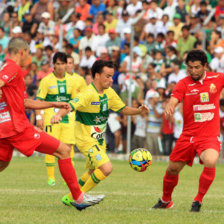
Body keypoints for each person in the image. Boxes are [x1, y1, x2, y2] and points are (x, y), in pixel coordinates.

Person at [0, 37, 104, 211]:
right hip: (16, 128)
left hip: (4, 129)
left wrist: (54, 104)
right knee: (63, 150)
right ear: (22, 52)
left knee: (2, 163)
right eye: (28, 54)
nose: (29, 58)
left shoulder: (7, 68)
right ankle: (78, 198)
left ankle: (78, 197)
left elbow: (25, 102)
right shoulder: (12, 67)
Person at [51, 60, 149, 206]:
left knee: (93, 171)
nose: (111, 80)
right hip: (85, 139)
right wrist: (59, 114)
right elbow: (70, 105)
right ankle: (78, 198)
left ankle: (71, 196)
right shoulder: (87, 93)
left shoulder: (110, 93)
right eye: (107, 76)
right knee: (106, 168)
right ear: (97, 75)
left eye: (112, 77)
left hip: (98, 140)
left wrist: (138, 111)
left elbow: (122, 109)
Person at [152, 49, 224, 212]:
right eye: (190, 67)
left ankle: (197, 201)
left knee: (211, 160)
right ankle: (165, 200)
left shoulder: (217, 78)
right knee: (172, 169)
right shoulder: (183, 83)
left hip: (209, 136)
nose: (193, 71)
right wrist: (170, 106)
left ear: (205, 66)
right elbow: (174, 99)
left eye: (197, 67)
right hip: (188, 135)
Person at [36, 52, 78, 186]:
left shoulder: (73, 81)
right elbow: (39, 100)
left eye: (62, 63)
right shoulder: (46, 80)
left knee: (68, 146)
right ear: (53, 65)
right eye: (58, 64)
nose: (60, 67)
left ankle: (69, 176)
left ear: (67, 64)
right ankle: (51, 177)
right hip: (50, 118)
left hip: (68, 118)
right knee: (51, 145)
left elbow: (76, 101)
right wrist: (39, 117)